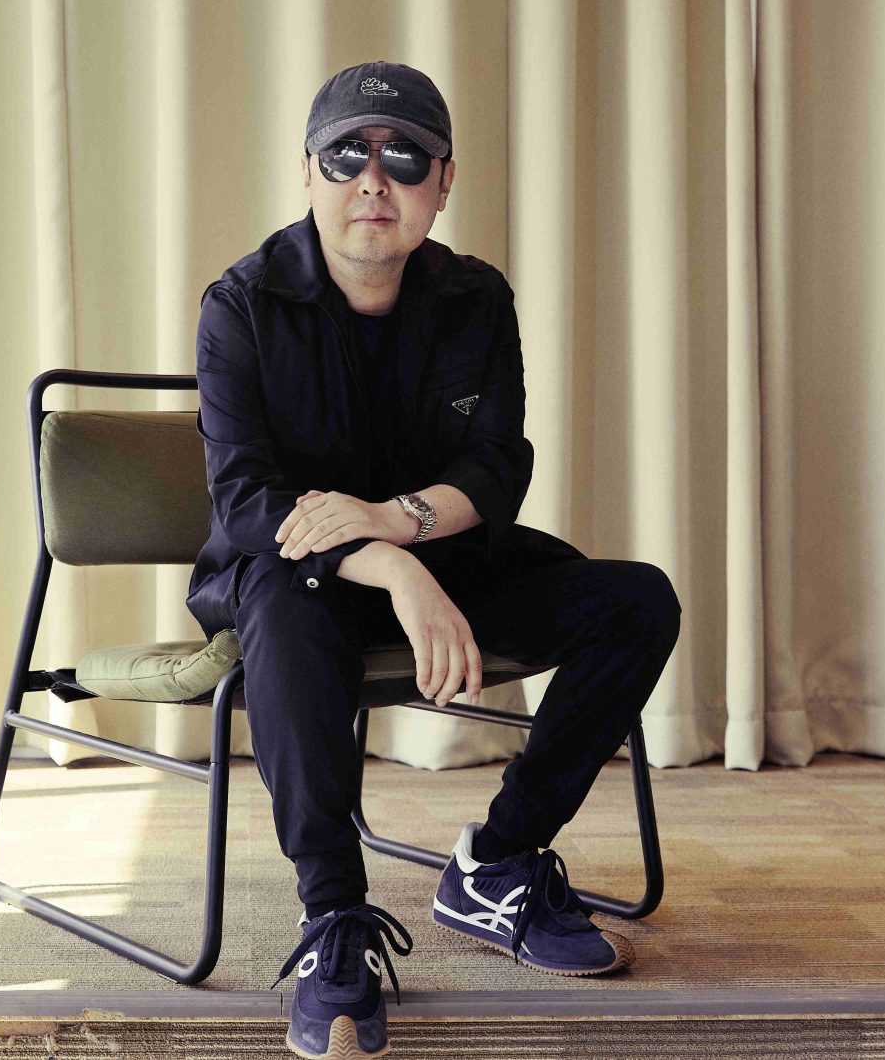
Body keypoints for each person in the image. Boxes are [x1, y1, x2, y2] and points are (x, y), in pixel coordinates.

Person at [185, 60, 682, 1060]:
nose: (374, 179)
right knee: (283, 610)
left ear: (442, 181)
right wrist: (395, 566)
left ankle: (495, 861)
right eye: (347, 155)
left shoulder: (474, 297)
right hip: (291, 576)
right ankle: (332, 917)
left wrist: (394, 524)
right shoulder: (240, 304)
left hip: (441, 559)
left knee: (634, 600)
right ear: (308, 173)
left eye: (402, 157)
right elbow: (244, 502)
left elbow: (496, 467)